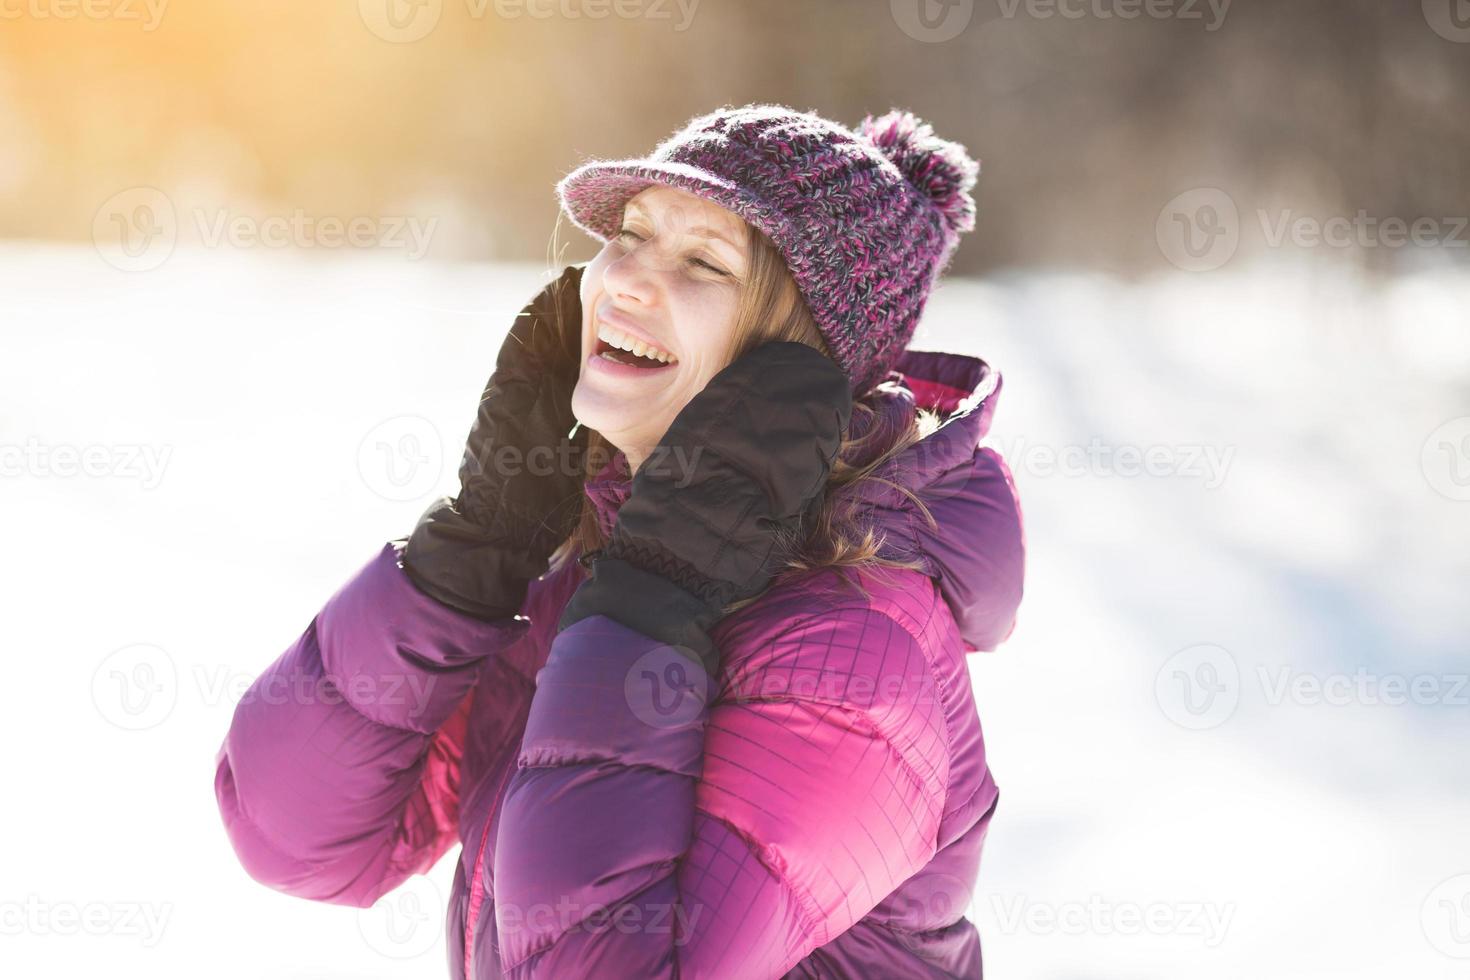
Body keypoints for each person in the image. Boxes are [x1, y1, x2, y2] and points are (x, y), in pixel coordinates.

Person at [214, 102, 1026, 979]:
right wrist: (471, 554)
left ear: (798, 366)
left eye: (703, 263)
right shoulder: (604, 558)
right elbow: (303, 841)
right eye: (631, 235)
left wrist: (644, 613)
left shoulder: (853, 647)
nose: (626, 282)